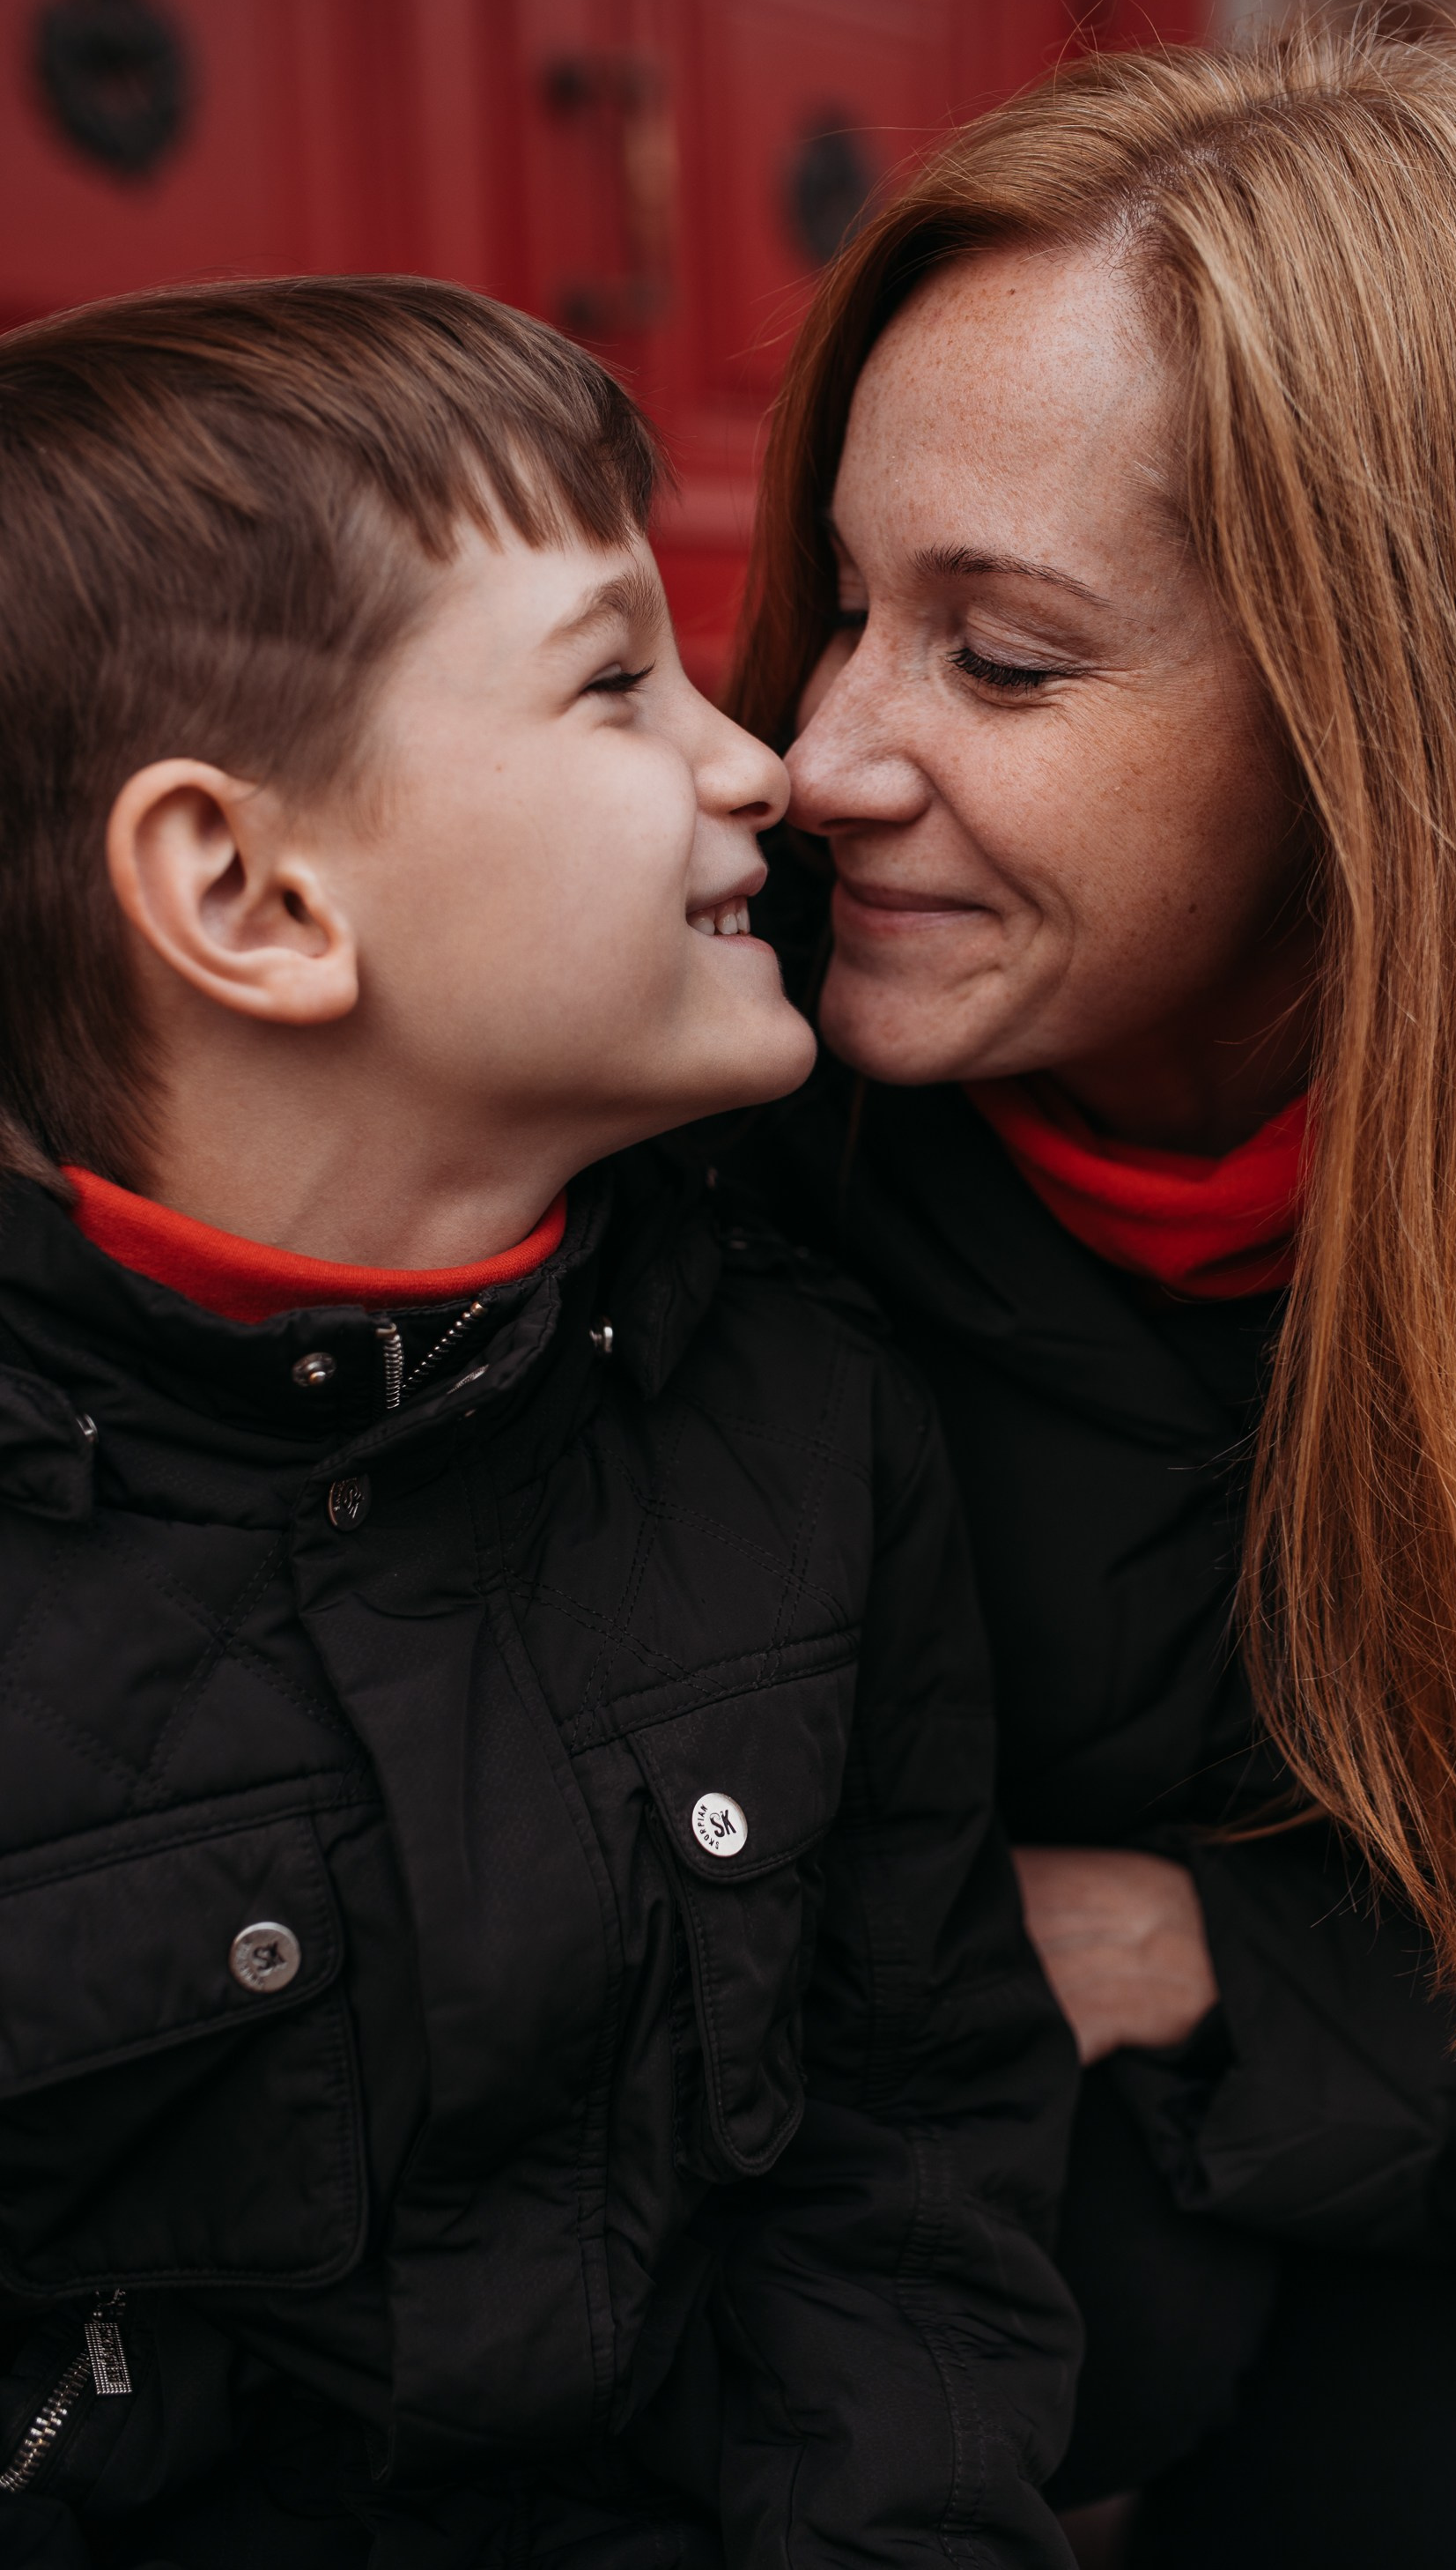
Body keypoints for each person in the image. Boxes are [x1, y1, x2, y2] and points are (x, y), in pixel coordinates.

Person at [732, 22, 1456, 2570]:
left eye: (1001, 658)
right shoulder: (700, 1139)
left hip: (1346, 2245)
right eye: (843, 607)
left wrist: (1193, 1954)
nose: (819, 756)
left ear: (1403, 732)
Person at [0, 278, 1081, 2569]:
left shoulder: (801, 1415)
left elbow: (905, 2167)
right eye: (614, 683)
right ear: (252, 895)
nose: (760, 764)